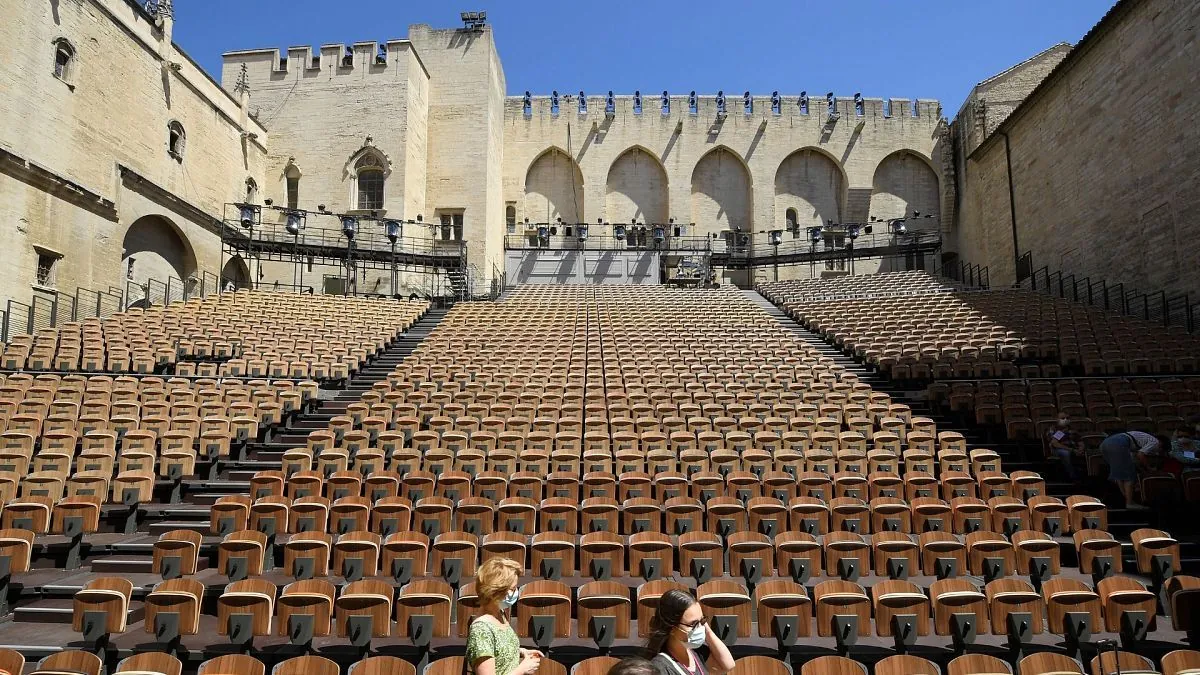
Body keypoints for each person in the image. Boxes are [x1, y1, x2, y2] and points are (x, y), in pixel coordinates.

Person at [466, 558, 542, 675]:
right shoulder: (481, 630)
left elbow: (497, 648)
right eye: (512, 589)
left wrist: (521, 651)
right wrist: (522, 669)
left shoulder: (499, 614)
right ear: (495, 590)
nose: (515, 592)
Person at [644, 589, 735, 675]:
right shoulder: (660, 667)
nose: (700, 628)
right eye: (693, 624)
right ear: (672, 628)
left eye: (702, 621)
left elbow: (728, 665)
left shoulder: (696, 652)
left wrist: (706, 629)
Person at [1099, 431, 1160, 509]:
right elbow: (1140, 455)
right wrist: (1149, 468)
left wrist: (1142, 470)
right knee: (1129, 475)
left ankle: (1127, 500)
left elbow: (1135, 461)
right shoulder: (1155, 442)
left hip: (1105, 444)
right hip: (1118, 442)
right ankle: (1130, 503)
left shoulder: (1140, 441)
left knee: (1119, 474)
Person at [1045, 412, 1084, 481]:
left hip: (1073, 449)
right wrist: (1071, 450)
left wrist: (1081, 449)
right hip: (1057, 449)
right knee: (1065, 453)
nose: (1065, 420)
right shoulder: (1053, 429)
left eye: (1067, 418)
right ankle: (1072, 476)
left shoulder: (1073, 430)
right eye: (1063, 418)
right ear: (1057, 419)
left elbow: (1080, 442)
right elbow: (1054, 443)